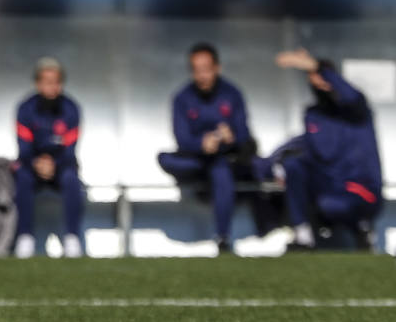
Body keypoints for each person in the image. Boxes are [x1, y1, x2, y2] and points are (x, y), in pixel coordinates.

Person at [274, 49, 383, 251]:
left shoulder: (357, 111)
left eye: (323, 77)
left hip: (361, 189)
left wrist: (317, 66)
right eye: (313, 78)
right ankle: (302, 237)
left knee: (332, 204)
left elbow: (351, 96)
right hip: (330, 186)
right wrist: (276, 166)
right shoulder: (313, 115)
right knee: (293, 166)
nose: (319, 83)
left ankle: (362, 228)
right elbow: (310, 149)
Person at [156, 43, 256, 254]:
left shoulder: (232, 93)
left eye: (206, 69)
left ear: (217, 68)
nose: (202, 76)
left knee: (221, 172)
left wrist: (230, 138)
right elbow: (182, 138)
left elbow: (244, 133)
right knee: (164, 158)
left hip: (224, 160)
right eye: (196, 70)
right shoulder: (182, 97)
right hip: (196, 160)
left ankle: (223, 238)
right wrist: (201, 144)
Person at [12, 57, 85, 259]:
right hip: (32, 166)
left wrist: (54, 164)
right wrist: (37, 163)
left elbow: (70, 149)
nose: (52, 87)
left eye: (56, 82)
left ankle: (72, 239)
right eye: (47, 82)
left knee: (71, 179)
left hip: (61, 166)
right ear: (38, 83)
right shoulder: (25, 109)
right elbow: (24, 148)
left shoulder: (71, 108)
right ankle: (25, 238)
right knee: (22, 178)